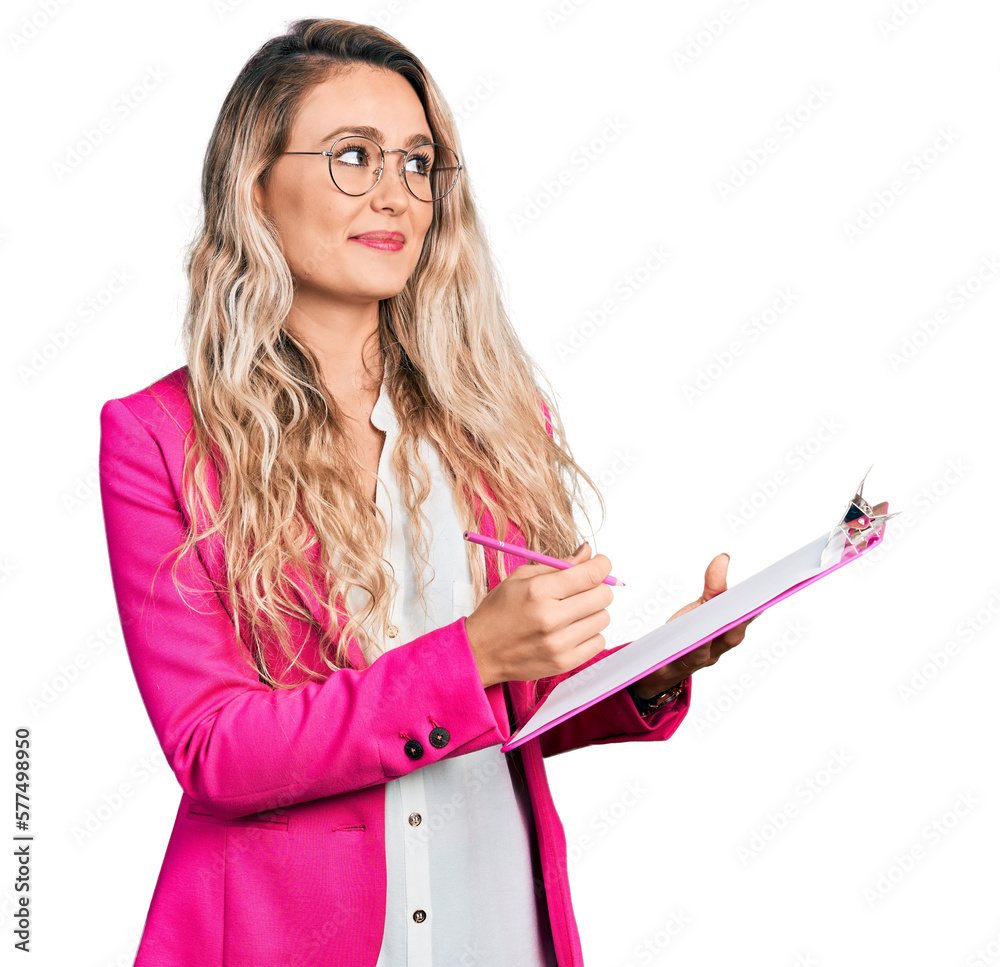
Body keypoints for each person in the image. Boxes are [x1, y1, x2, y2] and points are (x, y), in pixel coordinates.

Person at [97, 18, 754, 967]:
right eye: (353, 156)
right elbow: (216, 749)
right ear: (255, 185)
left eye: (417, 162)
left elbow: (512, 704)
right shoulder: (160, 436)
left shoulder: (490, 412)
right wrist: (471, 653)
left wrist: (648, 670)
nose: (397, 192)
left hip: (496, 925)